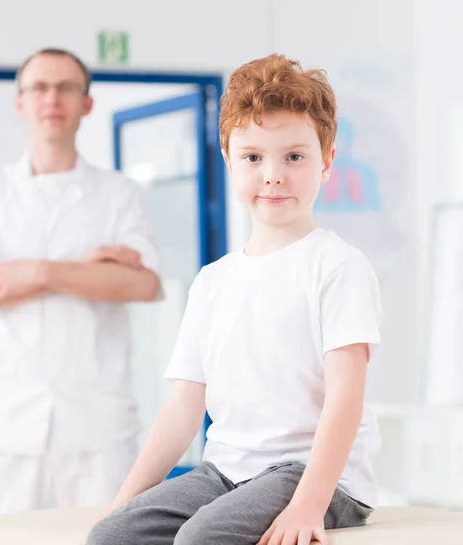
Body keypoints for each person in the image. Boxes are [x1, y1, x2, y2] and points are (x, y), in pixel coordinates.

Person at [87, 54, 382, 545]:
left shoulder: (338, 266)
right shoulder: (212, 281)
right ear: (228, 159)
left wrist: (308, 505)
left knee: (200, 539)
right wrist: (122, 505)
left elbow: (345, 399)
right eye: (253, 157)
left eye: (294, 156)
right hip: (225, 470)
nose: (273, 174)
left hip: (313, 476)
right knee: (112, 537)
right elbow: (184, 405)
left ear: (326, 162)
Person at [0, 48, 161, 517]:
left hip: (97, 419)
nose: (52, 98)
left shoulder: (116, 192)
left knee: (106, 536)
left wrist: (37, 272)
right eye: (39, 87)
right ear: (20, 103)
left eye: (67, 87)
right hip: (6, 419)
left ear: (87, 104)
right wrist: (88, 269)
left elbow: (143, 286)